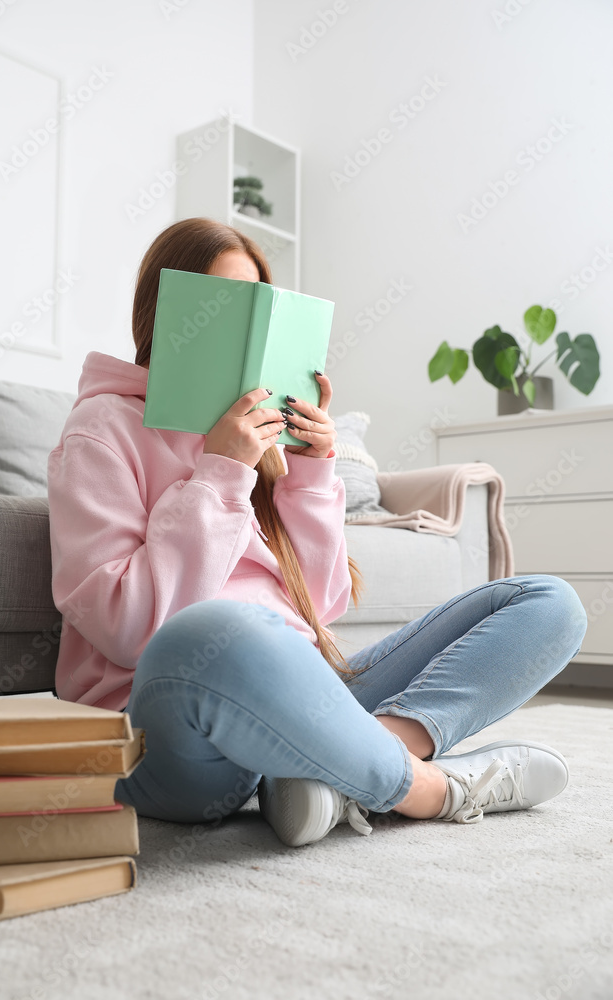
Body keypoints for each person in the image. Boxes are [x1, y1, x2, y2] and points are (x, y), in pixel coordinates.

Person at [47, 217, 588, 848]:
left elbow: (323, 606)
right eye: (219, 308)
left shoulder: (262, 434)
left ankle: (330, 766)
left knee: (548, 602)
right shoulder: (101, 429)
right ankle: (429, 789)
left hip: (307, 695)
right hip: (167, 729)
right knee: (215, 632)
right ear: (166, 317)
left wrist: (310, 473)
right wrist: (220, 473)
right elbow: (127, 629)